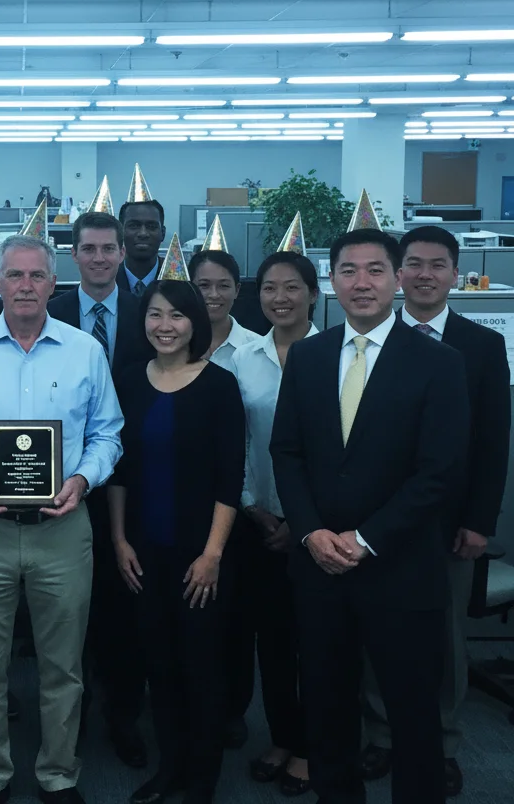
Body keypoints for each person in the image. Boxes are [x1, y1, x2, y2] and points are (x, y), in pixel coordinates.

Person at [0, 234, 123, 804]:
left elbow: (109, 433)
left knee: (64, 666)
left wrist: (83, 480)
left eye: (37, 277)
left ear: (52, 285)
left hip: (64, 528)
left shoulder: (85, 350)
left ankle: (59, 774)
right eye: (15, 276)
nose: (26, 286)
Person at [270, 229, 469, 804]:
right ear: (331, 280)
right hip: (320, 568)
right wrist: (309, 531)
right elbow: (287, 452)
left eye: (376, 270)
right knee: (329, 711)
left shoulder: (439, 362)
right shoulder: (308, 356)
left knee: (412, 716)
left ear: (398, 278)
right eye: (349, 270)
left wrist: (366, 537)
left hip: (400, 569)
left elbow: (439, 472)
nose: (362, 283)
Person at [360, 226, 510, 797]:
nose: (424, 275)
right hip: (378, 521)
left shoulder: (481, 345)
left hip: (448, 525)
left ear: (456, 273)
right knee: (377, 630)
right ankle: (380, 732)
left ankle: (442, 740)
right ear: (399, 274)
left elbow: (494, 443)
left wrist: (480, 521)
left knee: (442, 638)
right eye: (414, 264)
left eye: (437, 265)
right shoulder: (370, 337)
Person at [109, 279, 244, 804]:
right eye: (155, 315)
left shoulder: (218, 385)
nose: (165, 326)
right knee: (159, 666)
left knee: (202, 669)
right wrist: (119, 540)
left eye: (177, 316)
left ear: (195, 323)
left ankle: (202, 779)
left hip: (200, 556)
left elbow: (229, 479)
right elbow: (118, 470)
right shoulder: (128, 381)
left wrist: (212, 555)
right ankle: (170, 768)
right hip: (143, 551)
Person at [47, 211, 151, 768]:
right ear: (74, 255)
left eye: (109, 248)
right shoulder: (49, 311)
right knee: (65, 611)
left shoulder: (150, 315)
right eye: (88, 248)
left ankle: (123, 715)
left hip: (132, 483)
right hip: (56, 483)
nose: (100, 257)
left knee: (120, 611)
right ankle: (70, 716)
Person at [229, 252, 320, 797]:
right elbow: (233, 441)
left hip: (324, 527)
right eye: (268, 288)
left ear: (313, 292)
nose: (279, 297)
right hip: (259, 522)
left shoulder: (336, 354)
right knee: (275, 641)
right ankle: (285, 736)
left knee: (324, 642)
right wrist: (253, 507)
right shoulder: (242, 358)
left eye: (291, 287)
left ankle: (316, 744)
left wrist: (306, 520)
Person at [187, 247, 258, 745]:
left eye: (222, 285)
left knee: (236, 618)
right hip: (191, 505)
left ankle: (231, 710)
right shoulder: (170, 342)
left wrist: (254, 502)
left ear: (237, 289)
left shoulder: (256, 351)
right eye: (202, 286)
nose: (212, 295)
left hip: (248, 508)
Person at [116, 200, 166, 295]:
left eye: (151, 226)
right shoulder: (107, 278)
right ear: (120, 232)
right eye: (134, 226)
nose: (143, 233)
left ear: (163, 233)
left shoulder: (179, 279)